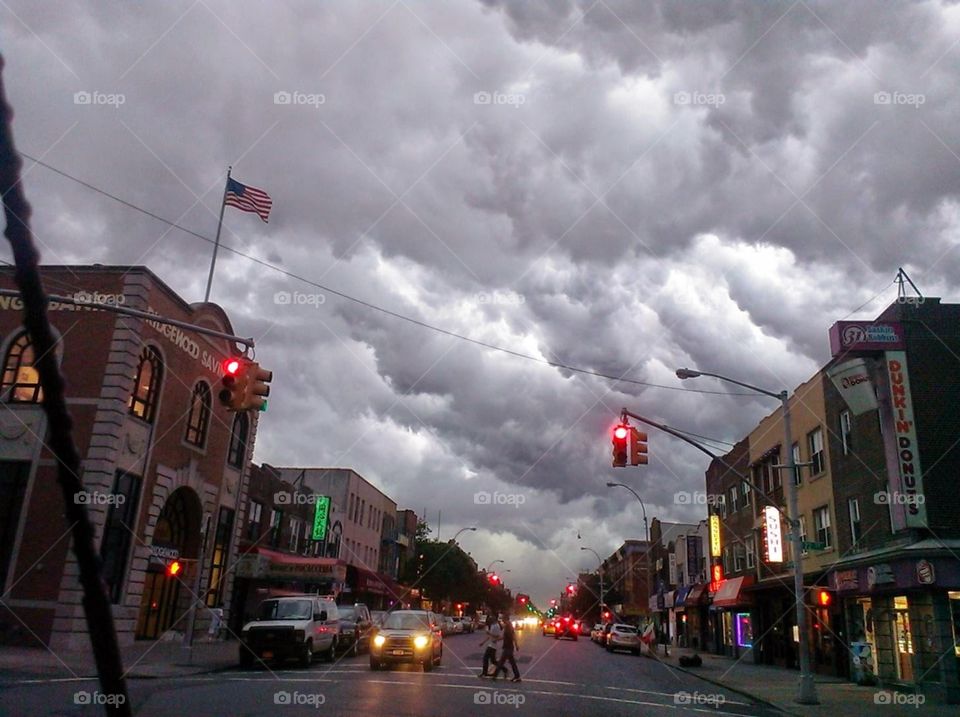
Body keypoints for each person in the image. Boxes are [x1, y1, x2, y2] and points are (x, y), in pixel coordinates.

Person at [491, 612, 521, 682]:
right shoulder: (508, 625)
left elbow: (513, 636)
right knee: (512, 662)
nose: (502, 621)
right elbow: (505, 636)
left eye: (503, 619)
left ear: (505, 619)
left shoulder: (508, 626)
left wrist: (516, 644)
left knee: (501, 661)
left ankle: (495, 675)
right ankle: (517, 676)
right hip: (509, 647)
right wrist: (497, 640)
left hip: (508, 647)